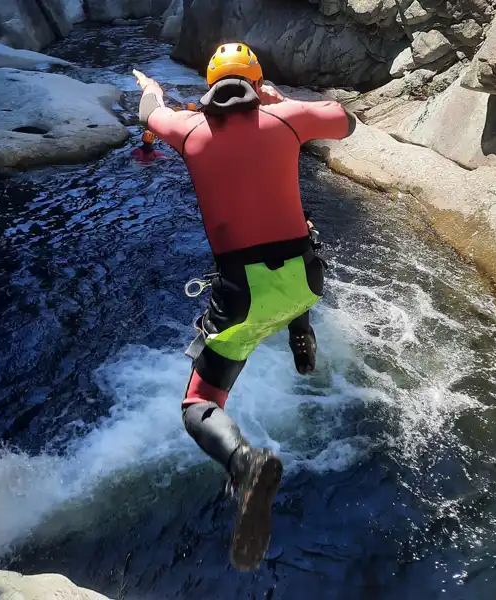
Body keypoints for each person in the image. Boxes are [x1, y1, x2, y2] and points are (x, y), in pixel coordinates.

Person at [133, 42, 355, 572]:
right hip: (306, 279)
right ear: (256, 84)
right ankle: (302, 336)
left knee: (198, 402)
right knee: (290, 284)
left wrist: (152, 91)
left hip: (243, 295)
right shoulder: (287, 118)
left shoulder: (187, 131)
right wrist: (281, 101)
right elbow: (345, 122)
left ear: (209, 86)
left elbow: (148, 113)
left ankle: (244, 464)